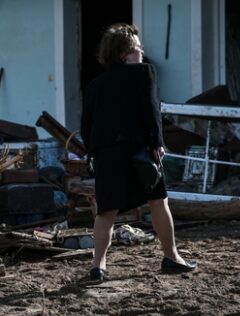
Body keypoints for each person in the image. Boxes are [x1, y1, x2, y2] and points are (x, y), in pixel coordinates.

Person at [80, 23, 197, 281]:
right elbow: (151, 109)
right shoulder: (144, 73)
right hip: (138, 151)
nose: (142, 51)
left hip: (106, 153)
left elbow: (86, 126)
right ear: (125, 53)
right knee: (158, 201)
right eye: (137, 47)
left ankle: (98, 266)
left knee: (106, 211)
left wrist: (93, 152)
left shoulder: (95, 85)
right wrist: (157, 143)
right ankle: (171, 257)